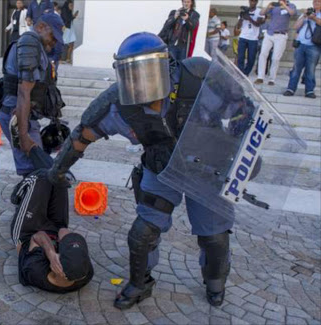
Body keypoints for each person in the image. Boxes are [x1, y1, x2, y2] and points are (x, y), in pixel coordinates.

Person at [48, 32, 234, 309]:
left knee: (214, 237)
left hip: (206, 169)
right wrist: (57, 171)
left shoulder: (197, 77)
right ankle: (140, 283)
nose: (139, 82)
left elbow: (243, 110)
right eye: (131, 74)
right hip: (161, 168)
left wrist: (240, 154)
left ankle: (215, 282)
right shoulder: (119, 104)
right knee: (143, 232)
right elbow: (82, 136)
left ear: (165, 65)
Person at [0, 13, 65, 177]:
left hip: (26, 119)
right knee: (35, 173)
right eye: (53, 36)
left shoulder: (36, 46)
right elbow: (23, 92)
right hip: (19, 119)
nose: (54, 42)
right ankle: (29, 202)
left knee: (37, 172)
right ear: (41, 27)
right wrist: (23, 136)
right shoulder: (29, 42)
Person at [11, 170, 93, 293]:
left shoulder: (35, 270)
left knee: (41, 178)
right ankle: (56, 169)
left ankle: (17, 196)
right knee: (59, 178)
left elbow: (38, 236)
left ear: (58, 269)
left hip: (28, 235)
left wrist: (51, 254)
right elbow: (63, 231)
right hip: (56, 229)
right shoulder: (85, 273)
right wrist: (63, 243)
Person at [284, 0, 321, 99]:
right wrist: (304, 16)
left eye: (319, 2)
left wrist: (314, 18)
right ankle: (290, 89)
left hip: (314, 46)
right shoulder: (307, 13)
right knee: (296, 68)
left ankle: (309, 90)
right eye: (315, 2)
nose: (316, 3)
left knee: (310, 69)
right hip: (301, 44)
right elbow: (296, 26)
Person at [255, 0, 297, 85]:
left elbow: (292, 13)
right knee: (263, 54)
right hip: (269, 33)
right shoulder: (274, 5)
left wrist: (284, 6)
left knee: (275, 58)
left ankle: (272, 79)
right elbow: (261, 13)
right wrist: (268, 6)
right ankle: (260, 77)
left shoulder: (291, 5)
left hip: (281, 35)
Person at [235, 0, 266, 76]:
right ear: (249, 2)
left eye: (254, 1)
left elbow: (258, 24)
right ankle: (241, 73)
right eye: (251, 1)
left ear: (257, 2)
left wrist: (249, 18)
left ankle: (246, 73)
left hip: (253, 39)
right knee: (240, 57)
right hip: (243, 37)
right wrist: (241, 18)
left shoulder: (259, 12)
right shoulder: (244, 11)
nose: (252, 3)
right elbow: (238, 27)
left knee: (251, 58)